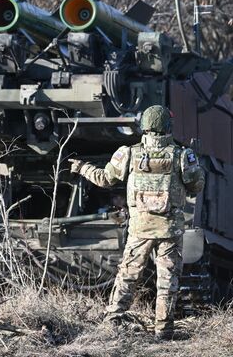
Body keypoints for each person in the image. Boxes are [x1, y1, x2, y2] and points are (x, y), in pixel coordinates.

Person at [69, 105, 205, 340]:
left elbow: (105, 179)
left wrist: (82, 168)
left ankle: (113, 320)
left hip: (140, 229)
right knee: (167, 280)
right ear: (167, 127)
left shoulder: (129, 153)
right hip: (169, 229)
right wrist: (196, 165)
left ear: (144, 127)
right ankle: (163, 330)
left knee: (128, 275)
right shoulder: (182, 155)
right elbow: (196, 186)